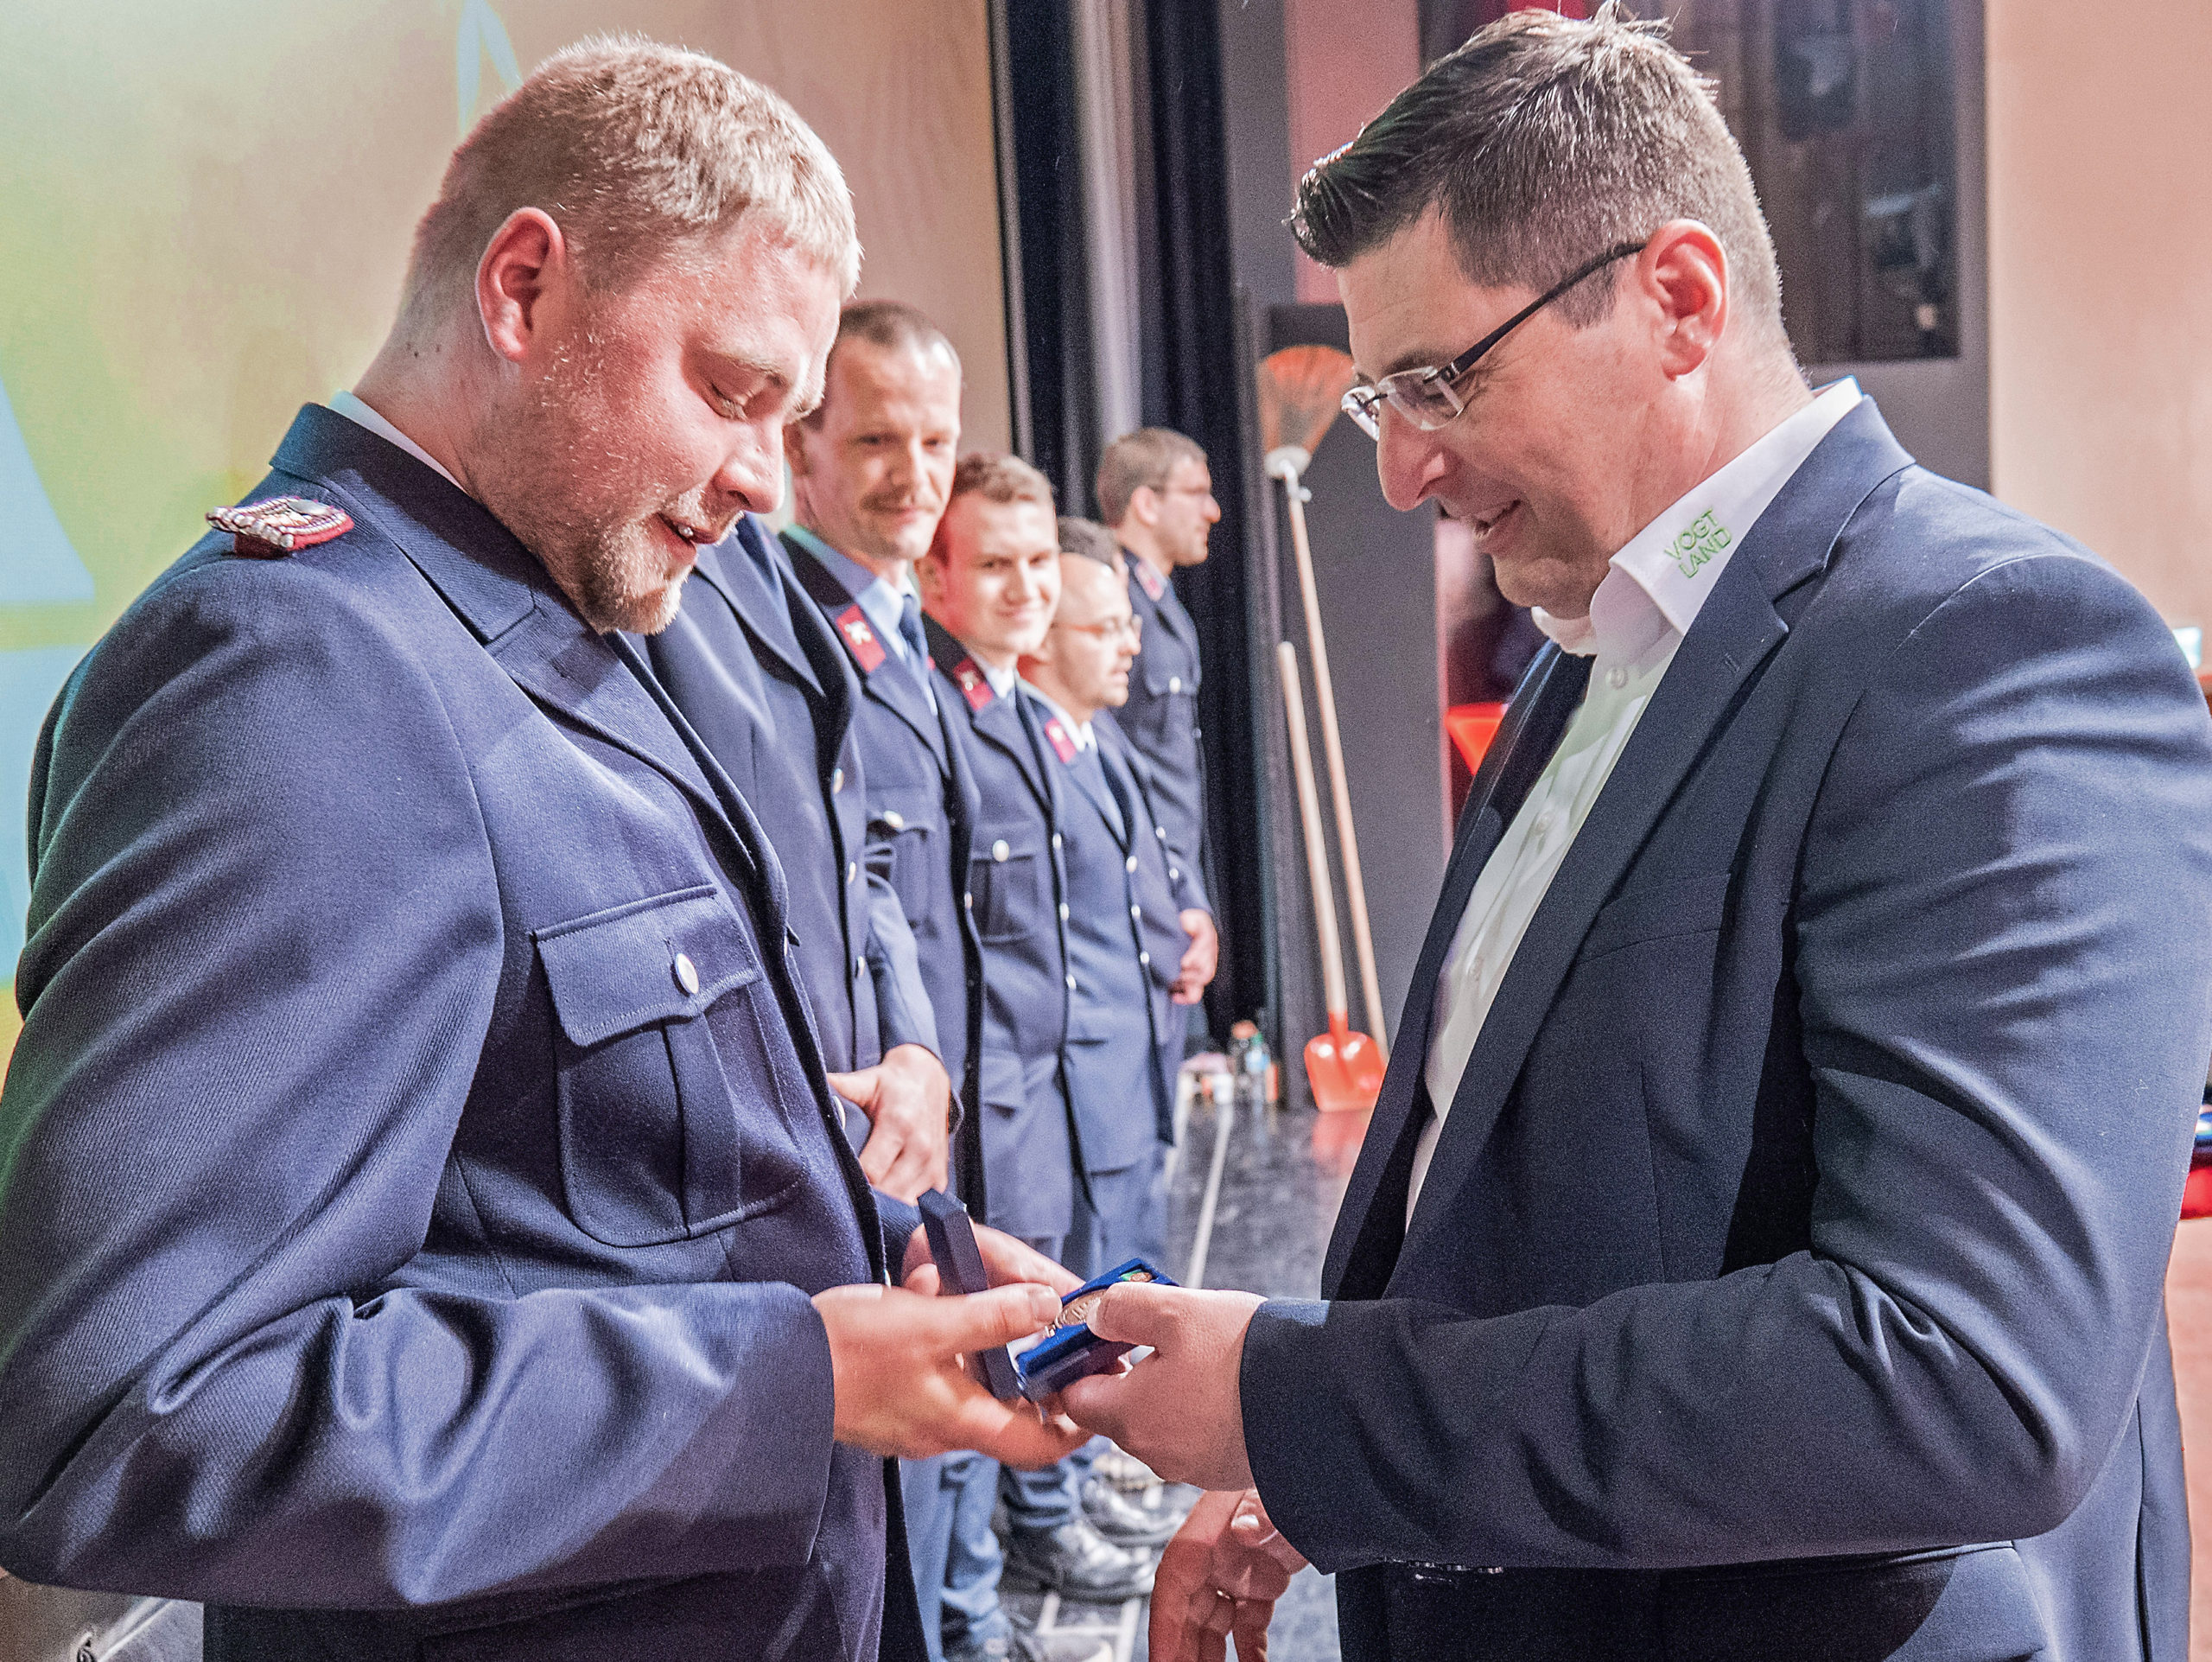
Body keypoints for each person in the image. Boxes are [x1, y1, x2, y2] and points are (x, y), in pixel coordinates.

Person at [1064, 12, 2212, 1662]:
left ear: (1677, 297)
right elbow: (1547, 1209)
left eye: (1442, 379)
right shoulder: (1588, 660)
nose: (1397, 468)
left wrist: (1300, 1399)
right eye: (1381, 391)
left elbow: (1959, 1377)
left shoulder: (1989, 645)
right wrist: (1326, 1479)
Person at [0, 41, 1086, 1662]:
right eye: (729, 393)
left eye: (787, 420)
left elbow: (573, 1192)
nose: (759, 484)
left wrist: (878, 1267)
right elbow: (129, 1411)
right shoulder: (294, 680)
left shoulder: (592, 602)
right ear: (522, 290)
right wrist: (797, 1378)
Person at [776, 300, 997, 1658]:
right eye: (873, 439)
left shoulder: (903, 629)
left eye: (935, 440)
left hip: (937, 1110)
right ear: (802, 447)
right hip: (859, 1152)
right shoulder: (788, 632)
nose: (913, 475)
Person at [917, 455, 1150, 1661]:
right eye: (992, 565)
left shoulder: (1019, 713)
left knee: (1033, 1346)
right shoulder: (942, 715)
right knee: (973, 1369)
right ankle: (963, 1620)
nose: (1020, 590)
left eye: (1031, 566)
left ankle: (990, 1589)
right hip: (986, 1111)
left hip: (1050, 1099)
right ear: (937, 576)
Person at [645, 509, 953, 1203]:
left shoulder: (758, 556)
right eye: (729, 398)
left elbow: (858, 857)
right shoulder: (646, 564)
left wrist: (914, 1048)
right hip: (750, 1173)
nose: (762, 471)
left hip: (867, 1130)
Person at [1020, 555, 1216, 1279]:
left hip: (1139, 1077)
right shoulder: (1023, 752)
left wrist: (1187, 913)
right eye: (1106, 628)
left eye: (1129, 625)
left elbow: (1149, 852)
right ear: (1043, 635)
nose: (1132, 644)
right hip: (1083, 1107)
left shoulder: (1101, 734)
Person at [1095, 430, 1217, 911]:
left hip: (1172, 874)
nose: (1213, 511)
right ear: (1146, 504)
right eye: (1196, 494)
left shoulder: (1161, 601)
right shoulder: (1111, 600)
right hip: (1137, 878)